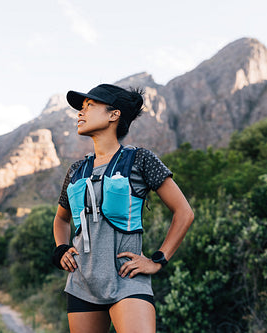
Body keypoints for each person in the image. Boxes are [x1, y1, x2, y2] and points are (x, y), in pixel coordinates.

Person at [52, 83, 194, 333]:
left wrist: (158, 260)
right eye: (81, 108)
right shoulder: (75, 171)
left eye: (89, 106)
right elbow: (61, 220)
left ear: (113, 114)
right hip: (82, 284)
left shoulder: (140, 159)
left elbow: (184, 212)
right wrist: (61, 248)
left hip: (127, 281)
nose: (80, 113)